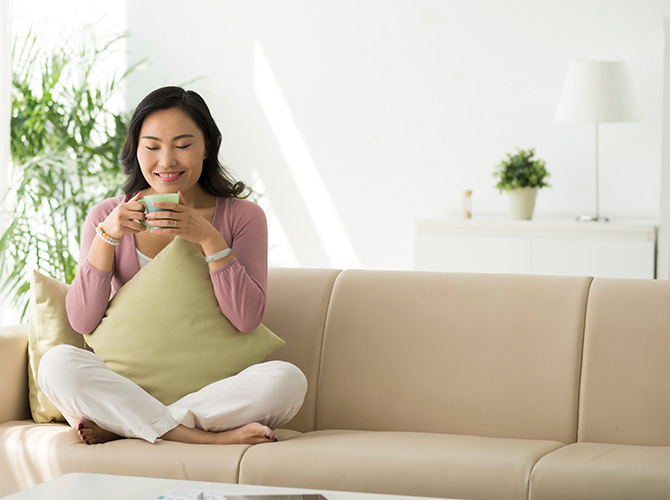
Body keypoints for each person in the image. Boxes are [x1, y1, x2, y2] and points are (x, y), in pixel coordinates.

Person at [38, 86, 307, 446]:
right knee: (56, 364)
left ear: (207, 146)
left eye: (182, 145)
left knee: (287, 379)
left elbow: (246, 319)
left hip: (210, 392)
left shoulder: (243, 217)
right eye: (152, 146)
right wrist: (108, 237)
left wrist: (211, 241)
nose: (166, 161)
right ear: (136, 149)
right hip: (124, 385)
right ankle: (202, 437)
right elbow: (83, 321)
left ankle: (130, 424)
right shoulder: (106, 215)